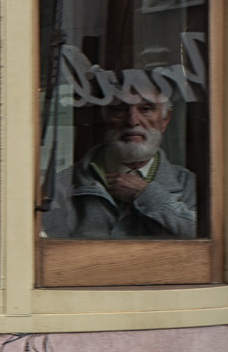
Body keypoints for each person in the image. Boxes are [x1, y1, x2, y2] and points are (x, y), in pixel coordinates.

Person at [41, 78, 197, 239]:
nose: (132, 121)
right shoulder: (62, 185)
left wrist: (146, 195)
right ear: (104, 117)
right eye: (119, 110)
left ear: (165, 120)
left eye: (145, 109)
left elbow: (203, 233)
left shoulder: (188, 184)